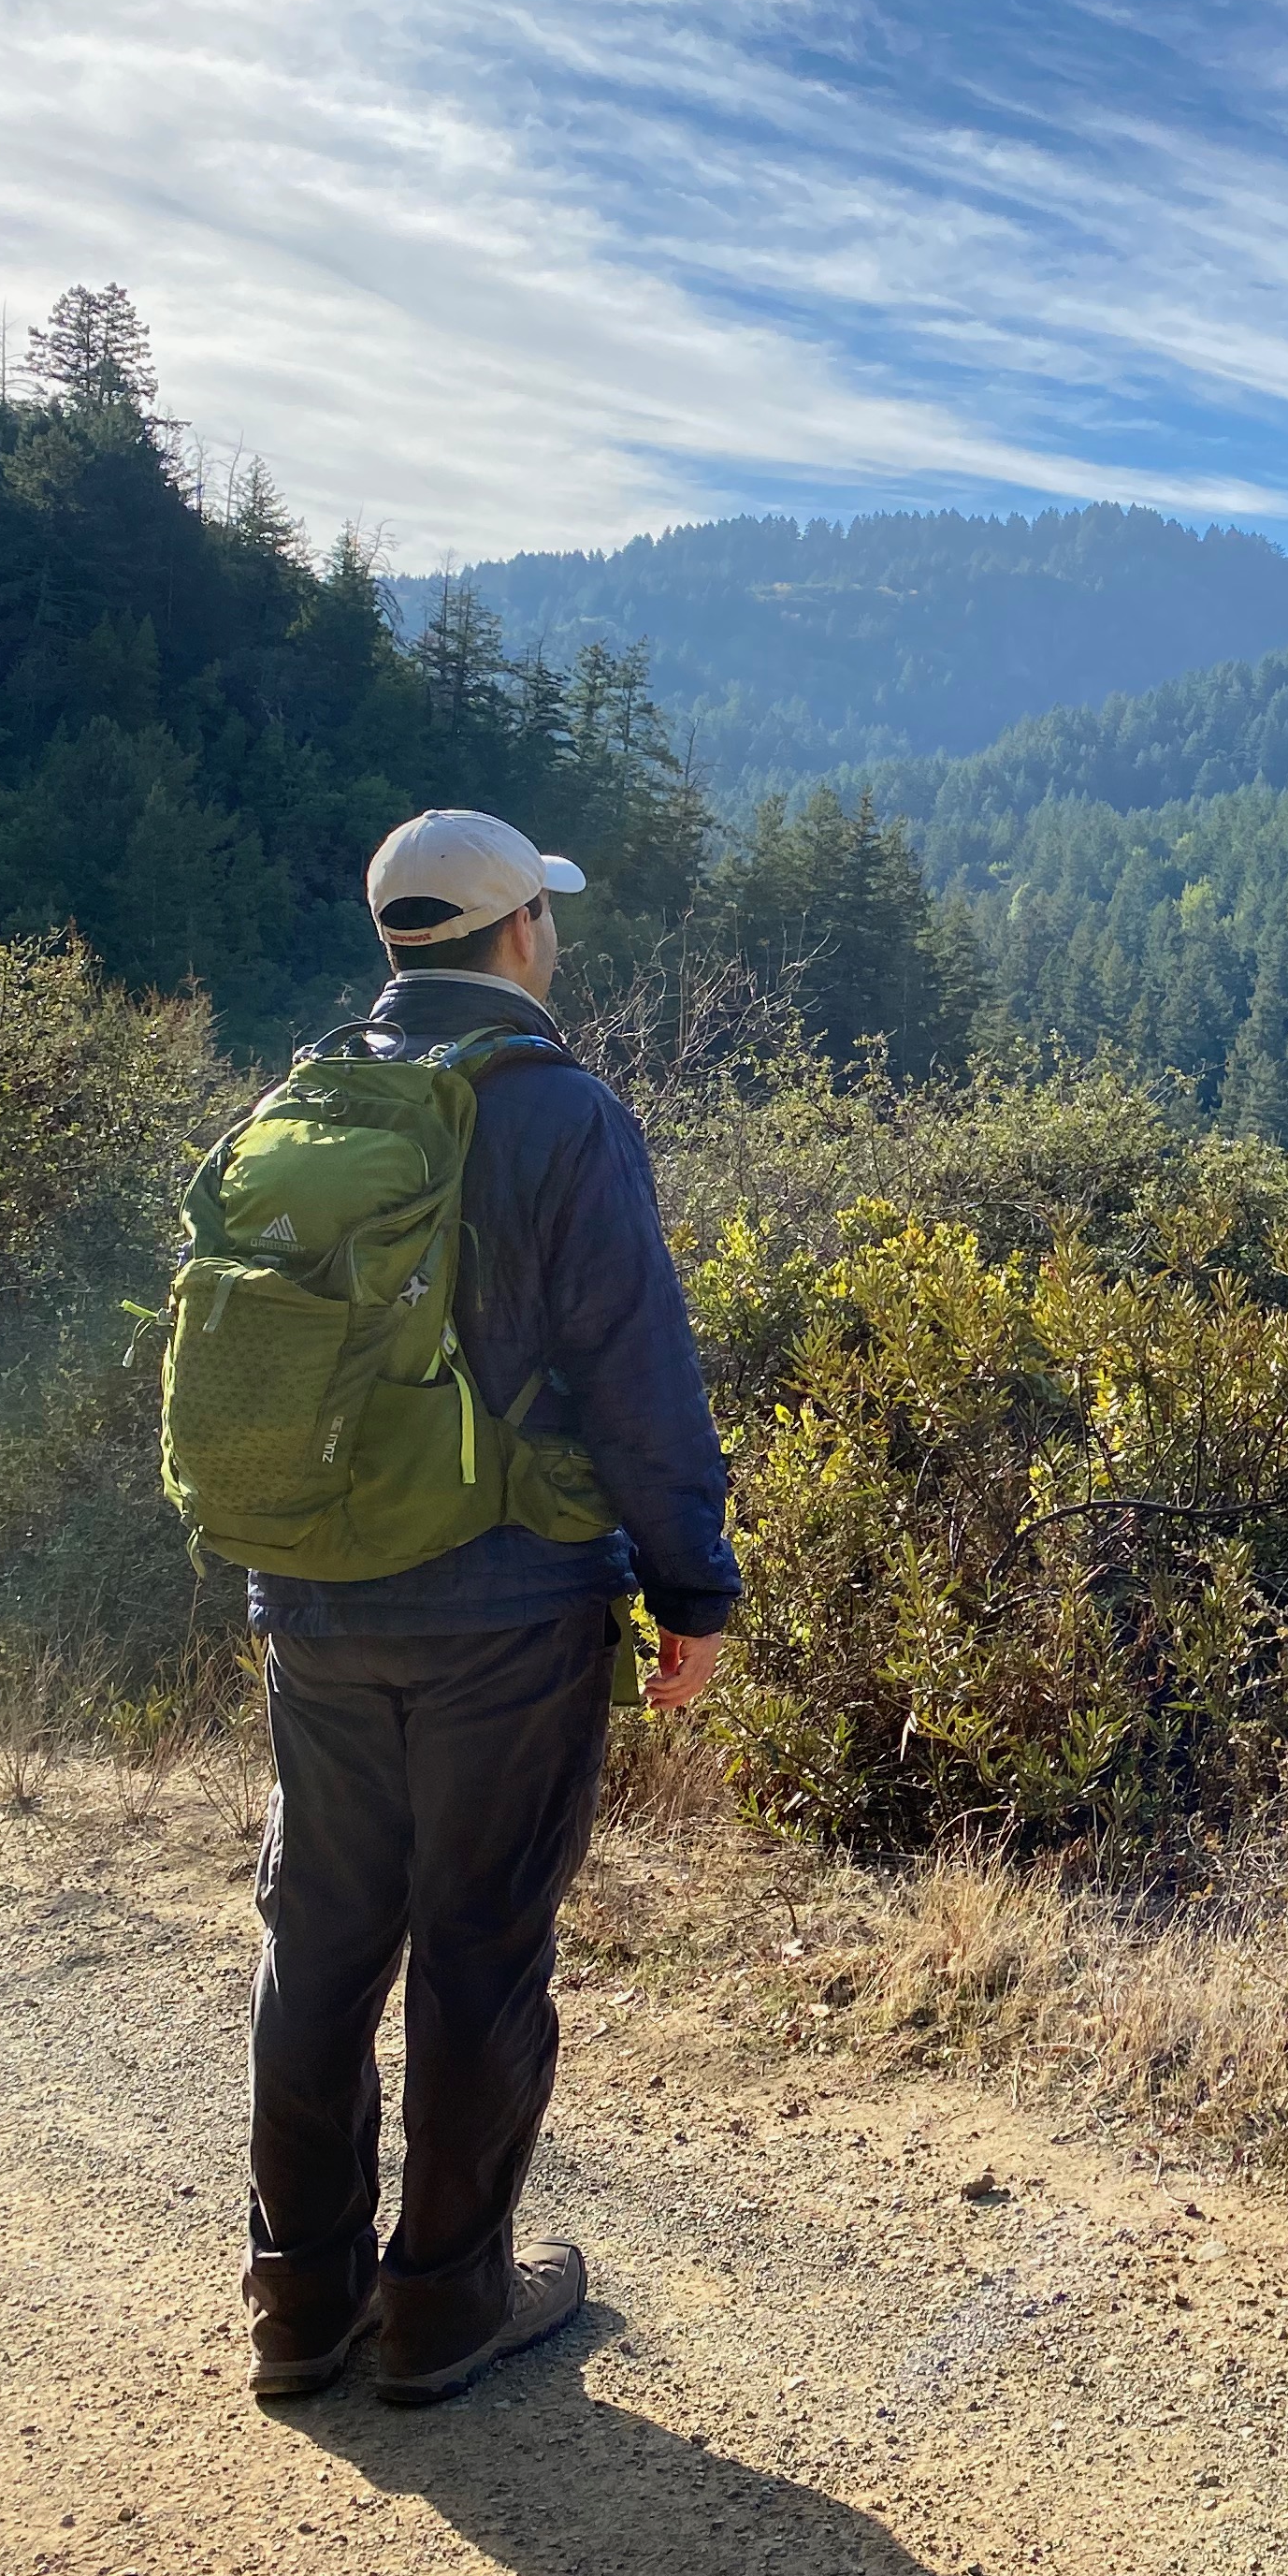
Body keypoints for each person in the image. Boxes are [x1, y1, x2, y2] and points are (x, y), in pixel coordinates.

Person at [240, 808, 739, 2407]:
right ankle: (450, 2308)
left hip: (315, 1603)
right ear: (519, 931)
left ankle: (297, 2305)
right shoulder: (562, 1117)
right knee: (478, 1947)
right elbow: (638, 1378)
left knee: (316, 1946)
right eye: (552, 919)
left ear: (398, 939)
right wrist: (693, 1591)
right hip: (505, 1620)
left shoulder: (308, 1097)